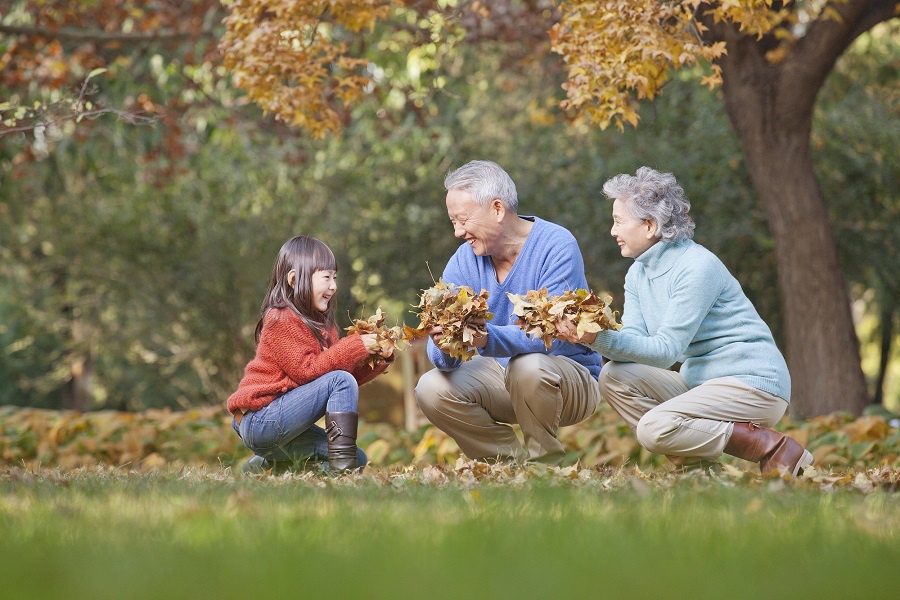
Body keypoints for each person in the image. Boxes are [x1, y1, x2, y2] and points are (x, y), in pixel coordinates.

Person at [555, 167, 813, 476]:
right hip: (702, 384)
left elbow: (666, 352)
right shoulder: (638, 273)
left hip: (752, 385)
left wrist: (596, 339)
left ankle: (773, 447)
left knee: (653, 429)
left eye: (619, 221)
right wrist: (589, 330)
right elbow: (635, 340)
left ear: (649, 226)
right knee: (613, 376)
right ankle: (699, 471)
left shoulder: (696, 267)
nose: (612, 231)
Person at [415, 160, 603, 465]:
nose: (457, 231)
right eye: (452, 221)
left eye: (462, 219)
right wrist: (444, 345)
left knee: (526, 366)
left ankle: (546, 468)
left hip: (568, 379)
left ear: (497, 209)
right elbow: (443, 361)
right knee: (431, 387)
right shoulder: (464, 261)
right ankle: (507, 469)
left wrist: (486, 338)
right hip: (501, 378)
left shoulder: (556, 245)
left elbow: (551, 335)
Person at [227, 235, 394, 473]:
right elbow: (307, 371)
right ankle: (342, 472)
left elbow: (340, 380)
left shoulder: (322, 327)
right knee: (344, 455)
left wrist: (374, 359)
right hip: (260, 421)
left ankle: (267, 467)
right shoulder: (280, 318)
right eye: (326, 277)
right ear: (295, 279)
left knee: (357, 457)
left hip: (282, 428)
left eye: (335, 278)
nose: (333, 286)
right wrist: (354, 347)